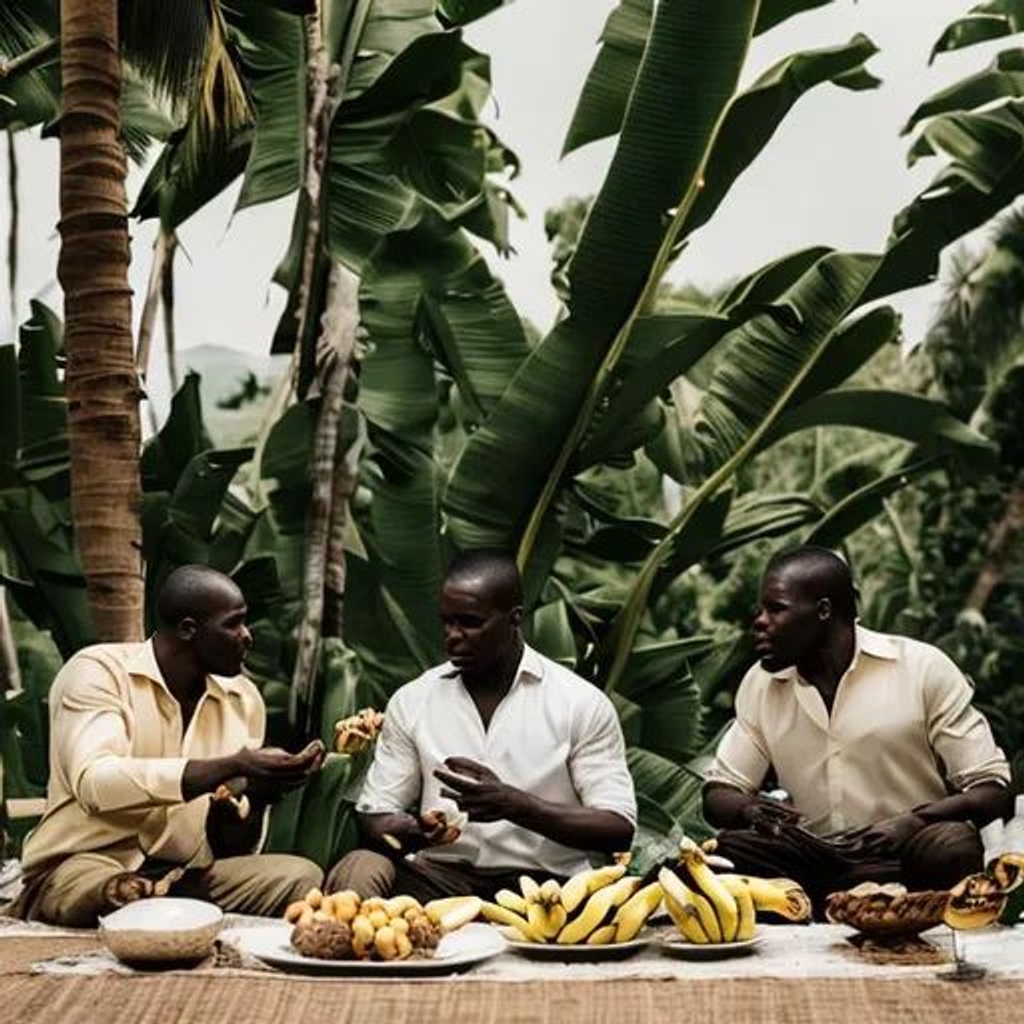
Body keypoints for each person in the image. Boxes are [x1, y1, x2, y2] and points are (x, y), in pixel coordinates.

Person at [702, 545, 1013, 914]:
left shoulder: (921, 668)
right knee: (731, 849)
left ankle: (932, 928)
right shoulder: (760, 684)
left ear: (823, 611)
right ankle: (809, 917)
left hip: (907, 855)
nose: (760, 621)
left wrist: (915, 821)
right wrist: (751, 811)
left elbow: (993, 791)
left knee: (953, 844)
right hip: (814, 862)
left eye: (777, 609)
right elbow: (718, 794)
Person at [11, 565, 326, 927]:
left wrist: (256, 799)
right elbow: (95, 783)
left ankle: (148, 904)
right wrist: (231, 764)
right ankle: (125, 897)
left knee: (299, 876)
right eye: (233, 624)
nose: (247, 636)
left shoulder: (244, 700)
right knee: (94, 885)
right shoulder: (98, 673)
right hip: (82, 864)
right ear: (189, 630)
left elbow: (226, 845)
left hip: (180, 877)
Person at [327, 550, 636, 901]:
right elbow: (375, 815)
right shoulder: (414, 700)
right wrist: (417, 830)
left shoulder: (579, 703)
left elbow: (618, 827)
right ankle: (348, 949)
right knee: (361, 866)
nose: (453, 636)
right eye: (446, 622)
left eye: (470, 622)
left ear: (514, 619)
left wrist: (517, 806)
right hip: (441, 880)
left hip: (548, 889)